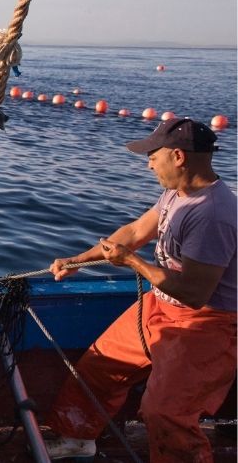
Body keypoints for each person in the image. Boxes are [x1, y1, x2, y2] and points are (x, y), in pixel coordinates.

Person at [44, 118, 236, 462]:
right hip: (159, 305)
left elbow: (194, 293)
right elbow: (134, 232)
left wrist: (133, 263)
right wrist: (78, 260)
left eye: (153, 156)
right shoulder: (176, 192)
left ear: (178, 156)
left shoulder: (214, 215)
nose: (148, 163)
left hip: (205, 324)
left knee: (166, 413)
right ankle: (77, 438)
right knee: (100, 367)